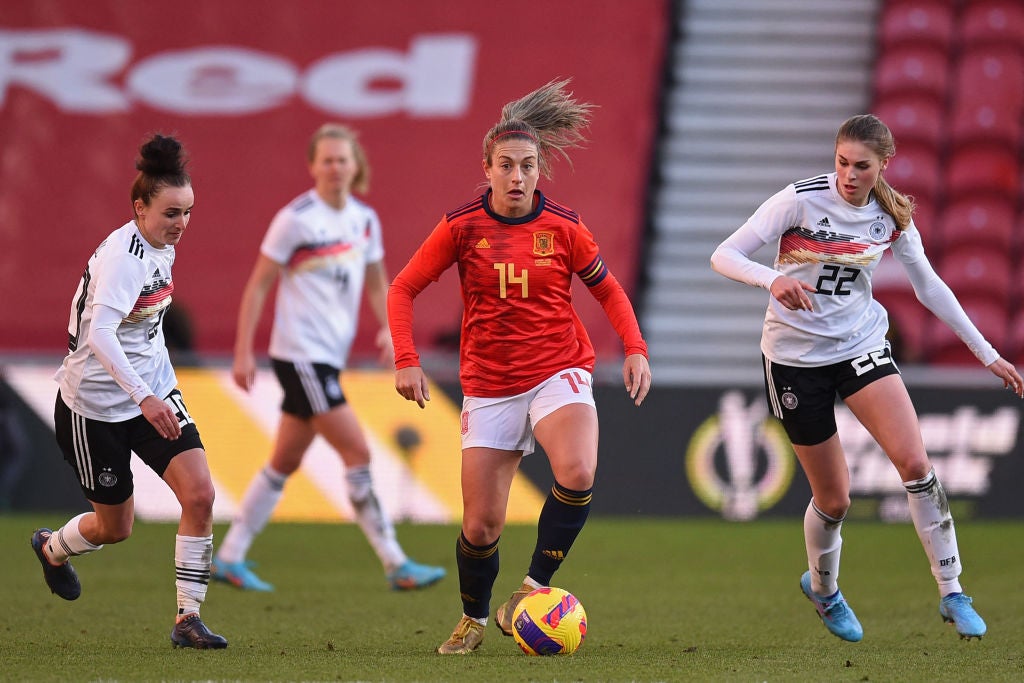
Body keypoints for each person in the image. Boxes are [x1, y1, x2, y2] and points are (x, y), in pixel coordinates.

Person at [710, 114, 1024, 643]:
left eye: (861, 166)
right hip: (794, 359)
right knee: (835, 500)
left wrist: (987, 353)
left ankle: (952, 591)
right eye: (841, 162)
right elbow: (725, 255)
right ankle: (825, 590)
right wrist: (773, 280)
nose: (848, 175)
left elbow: (931, 288)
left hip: (859, 347)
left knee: (916, 463)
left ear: (883, 166)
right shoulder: (799, 200)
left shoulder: (891, 215)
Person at [388, 79, 652, 654]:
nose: (517, 177)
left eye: (527, 166)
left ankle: (532, 589)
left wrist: (635, 348)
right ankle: (475, 617)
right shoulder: (461, 227)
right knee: (481, 526)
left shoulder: (563, 225)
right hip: (488, 383)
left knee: (578, 471)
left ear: (540, 170)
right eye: (505, 165)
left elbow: (608, 292)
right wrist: (406, 360)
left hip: (559, 367)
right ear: (485, 167)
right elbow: (403, 288)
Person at [211, 123, 445, 593]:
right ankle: (395, 561)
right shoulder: (295, 218)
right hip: (301, 356)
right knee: (356, 452)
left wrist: (390, 329)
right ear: (313, 166)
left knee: (283, 460)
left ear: (356, 164)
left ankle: (231, 555)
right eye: (328, 159)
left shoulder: (364, 220)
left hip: (324, 360)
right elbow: (258, 285)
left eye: (344, 159)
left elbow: (380, 283)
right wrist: (242, 351)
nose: (336, 167)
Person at [31, 134, 227, 649]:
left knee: (201, 494)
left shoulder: (159, 247)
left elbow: (144, 327)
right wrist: (144, 395)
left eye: (187, 213)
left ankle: (188, 619)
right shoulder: (124, 258)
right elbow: (99, 336)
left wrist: (156, 388)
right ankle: (53, 548)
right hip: (93, 408)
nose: (181, 224)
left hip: (153, 392)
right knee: (115, 528)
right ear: (139, 208)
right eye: (170, 213)